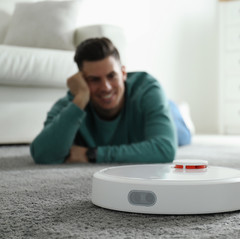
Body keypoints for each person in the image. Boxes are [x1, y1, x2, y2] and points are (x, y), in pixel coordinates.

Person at [30, 37, 191, 164]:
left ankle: (177, 109)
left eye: (111, 76)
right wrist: (80, 101)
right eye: (94, 79)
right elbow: (42, 154)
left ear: (123, 73)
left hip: (163, 115)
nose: (106, 87)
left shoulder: (147, 89)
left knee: (182, 136)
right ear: (82, 80)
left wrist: (92, 154)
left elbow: (164, 149)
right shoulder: (71, 104)